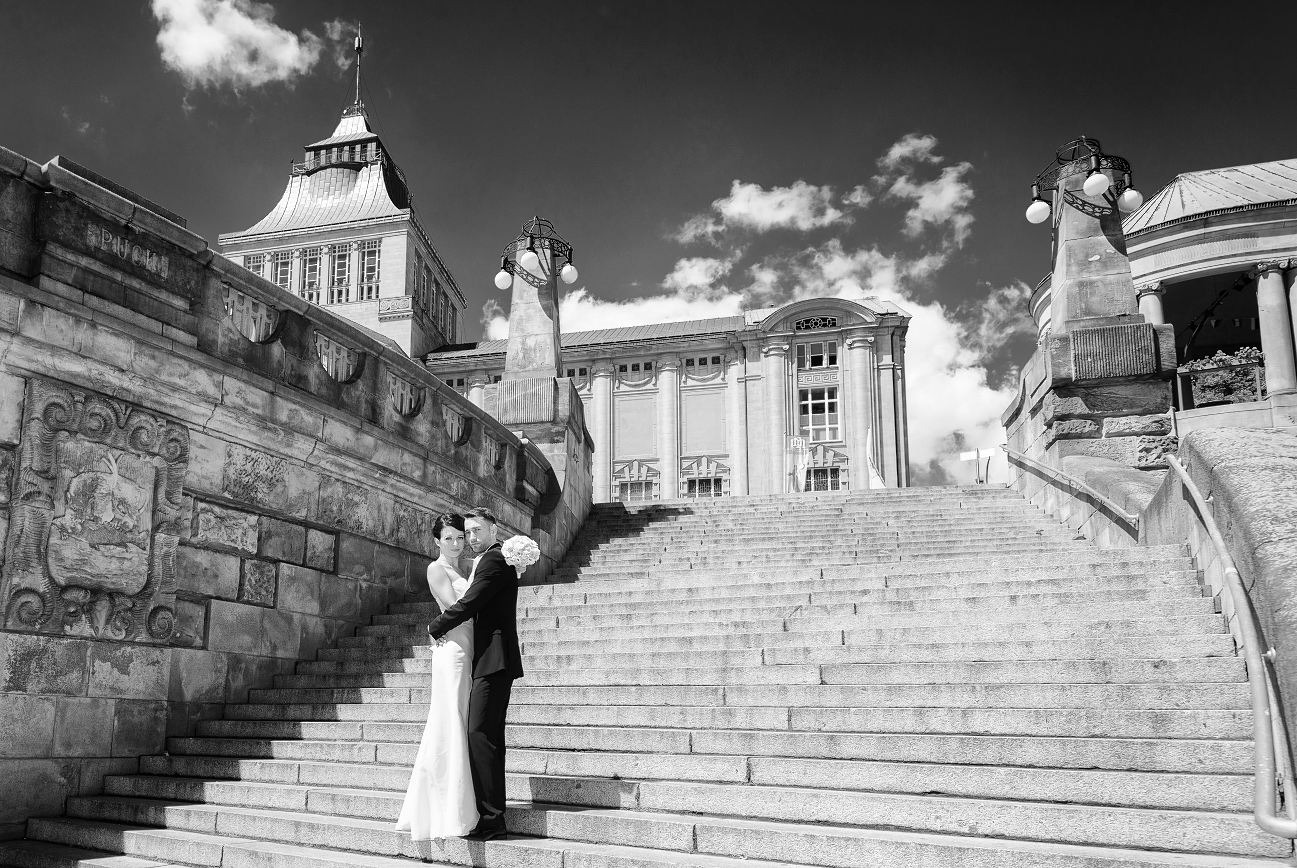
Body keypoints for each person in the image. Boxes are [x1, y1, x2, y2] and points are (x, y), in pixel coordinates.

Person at [427, 506, 523, 842]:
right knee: (486, 735)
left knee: (480, 734)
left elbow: (471, 603)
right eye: (467, 533)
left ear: (495, 530)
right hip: (485, 658)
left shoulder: (494, 559)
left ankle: (493, 818)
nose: (471, 538)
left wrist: (435, 626)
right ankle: (491, 815)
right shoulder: (487, 559)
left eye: (477, 530)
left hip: (493, 659)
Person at [395, 513, 479, 840]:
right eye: (449, 539)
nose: (456, 543)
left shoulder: (471, 565)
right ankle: (450, 811)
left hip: (475, 649)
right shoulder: (436, 569)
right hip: (454, 652)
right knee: (450, 721)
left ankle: (463, 801)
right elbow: (457, 607)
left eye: (460, 537)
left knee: (465, 720)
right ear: (437, 541)